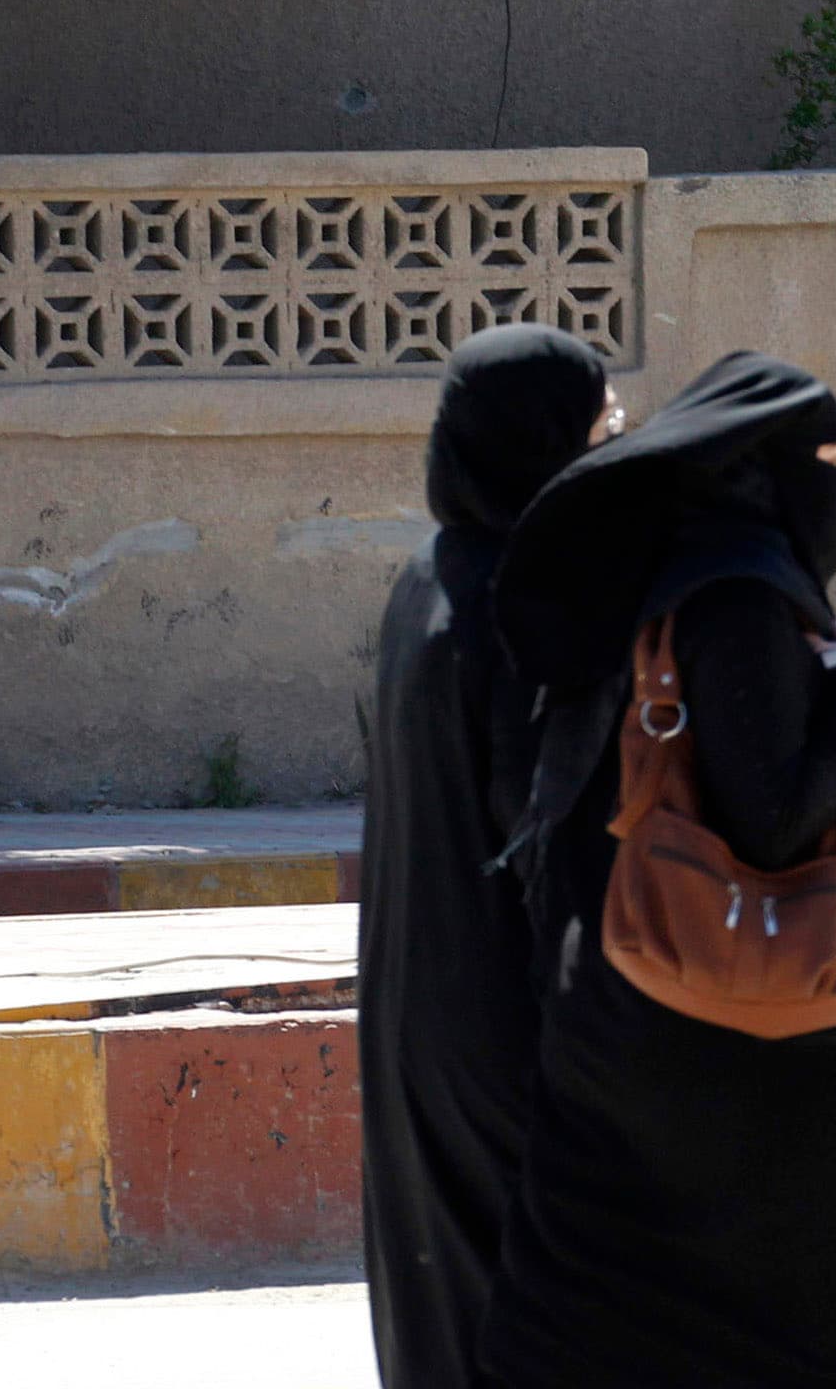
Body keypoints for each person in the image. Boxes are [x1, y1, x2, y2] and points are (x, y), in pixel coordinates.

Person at [484, 352, 836, 1389]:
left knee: (610, 1303)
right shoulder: (738, 593)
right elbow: (776, 809)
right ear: (773, 471)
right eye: (829, 462)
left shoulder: (648, 571)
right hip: (725, 1048)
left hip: (614, 1012)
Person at [360, 325, 617, 1389]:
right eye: (601, 427)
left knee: (445, 1302)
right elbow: (543, 833)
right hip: (505, 1021)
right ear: (543, 441)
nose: (613, 446)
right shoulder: (527, 600)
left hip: (415, 1009)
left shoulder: (429, 576)